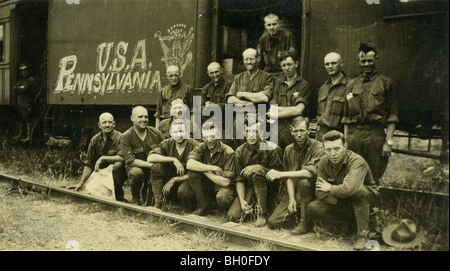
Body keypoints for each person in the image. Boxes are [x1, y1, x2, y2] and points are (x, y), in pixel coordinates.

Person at [309, 130, 380, 250]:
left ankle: (363, 234)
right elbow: (320, 192)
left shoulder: (357, 161)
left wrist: (330, 188)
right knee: (313, 207)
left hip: (366, 202)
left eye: (337, 148)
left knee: (360, 192)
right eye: (328, 150)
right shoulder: (323, 162)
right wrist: (340, 200)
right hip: (343, 202)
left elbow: (349, 190)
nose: (333, 154)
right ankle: (349, 226)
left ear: (345, 146)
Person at [342, 43, 399, 185]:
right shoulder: (351, 84)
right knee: (351, 175)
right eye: (363, 61)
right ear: (358, 61)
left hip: (375, 135)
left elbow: (392, 117)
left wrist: (388, 142)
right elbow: (346, 117)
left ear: (376, 59)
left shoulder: (386, 83)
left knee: (373, 177)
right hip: (354, 136)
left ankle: (369, 207)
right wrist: (345, 141)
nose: (366, 64)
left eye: (370, 61)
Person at [266, 116, 323, 234]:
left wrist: (280, 174)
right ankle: (298, 213)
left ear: (308, 130)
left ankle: (305, 223)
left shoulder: (318, 147)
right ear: (291, 131)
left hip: (313, 191)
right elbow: (289, 178)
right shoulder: (289, 150)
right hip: (296, 192)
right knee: (273, 222)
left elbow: (308, 173)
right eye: (296, 131)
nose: (299, 134)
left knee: (304, 182)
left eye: (302, 130)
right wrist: (291, 198)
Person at [226, 122, 283, 227]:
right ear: (244, 133)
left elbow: (279, 176)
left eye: (255, 131)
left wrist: (258, 168)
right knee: (233, 216)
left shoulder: (272, 148)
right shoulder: (239, 152)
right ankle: (252, 207)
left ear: (261, 132)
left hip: (270, 188)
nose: (251, 135)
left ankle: (262, 214)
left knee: (256, 171)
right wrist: (242, 200)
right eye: (248, 131)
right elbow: (239, 180)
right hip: (250, 188)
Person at [68, 113, 127, 202]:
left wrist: (103, 158)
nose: (107, 125)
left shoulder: (121, 138)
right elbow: (89, 163)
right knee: (94, 193)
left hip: (117, 172)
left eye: (110, 122)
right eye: (104, 122)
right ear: (99, 125)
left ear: (114, 124)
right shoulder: (94, 140)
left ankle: (118, 195)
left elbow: (122, 157)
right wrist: (81, 183)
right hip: (101, 173)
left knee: (118, 165)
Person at [185, 122, 236, 216]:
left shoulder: (228, 152)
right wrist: (212, 168)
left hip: (224, 186)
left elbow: (226, 182)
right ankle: (203, 206)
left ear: (219, 135)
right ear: (202, 137)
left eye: (212, 136)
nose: (209, 140)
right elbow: (189, 164)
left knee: (223, 197)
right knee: (191, 174)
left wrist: (203, 170)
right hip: (209, 182)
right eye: (206, 137)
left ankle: (222, 209)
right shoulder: (201, 146)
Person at [226, 48, 274, 148]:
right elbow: (230, 99)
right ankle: (241, 154)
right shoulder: (238, 78)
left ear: (257, 59)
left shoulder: (266, 77)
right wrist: (249, 103)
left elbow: (264, 98)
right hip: (242, 114)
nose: (248, 62)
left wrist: (242, 94)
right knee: (237, 124)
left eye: (251, 59)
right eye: (246, 59)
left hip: (260, 114)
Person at [147, 121, 199, 209]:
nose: (178, 135)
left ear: (187, 132)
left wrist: (174, 179)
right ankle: (158, 202)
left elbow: (198, 171)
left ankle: (186, 206)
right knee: (156, 166)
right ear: (171, 133)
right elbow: (150, 158)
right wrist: (173, 159)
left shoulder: (194, 146)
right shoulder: (167, 144)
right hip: (168, 178)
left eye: (181, 131)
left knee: (184, 192)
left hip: (187, 179)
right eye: (175, 132)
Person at [121, 106, 165, 205]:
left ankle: (155, 198)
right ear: (132, 118)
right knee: (137, 173)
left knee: (150, 202)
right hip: (136, 168)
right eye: (140, 117)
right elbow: (131, 161)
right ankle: (135, 197)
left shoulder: (156, 133)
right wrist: (151, 165)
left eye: (146, 117)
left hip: (154, 171)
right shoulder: (126, 136)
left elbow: (166, 150)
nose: (144, 120)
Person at [268, 50, 310, 150]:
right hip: (277, 128)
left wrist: (276, 114)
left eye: (289, 64)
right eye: (284, 65)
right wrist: (292, 109)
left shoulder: (303, 84)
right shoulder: (278, 83)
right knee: (276, 156)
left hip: (294, 129)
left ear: (296, 64)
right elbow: (273, 107)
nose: (287, 68)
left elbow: (299, 110)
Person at [316, 52, 348, 141]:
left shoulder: (349, 86)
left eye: (333, 63)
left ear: (341, 63)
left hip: (338, 135)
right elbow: (319, 115)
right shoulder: (323, 88)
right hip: (321, 135)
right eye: (327, 64)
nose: (330, 66)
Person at [201, 62, 233, 147]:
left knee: (223, 144)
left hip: (225, 122)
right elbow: (201, 109)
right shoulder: (206, 88)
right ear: (208, 74)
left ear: (221, 71)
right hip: (209, 121)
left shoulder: (229, 85)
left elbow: (228, 106)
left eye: (216, 72)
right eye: (212, 73)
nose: (214, 75)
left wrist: (211, 105)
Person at [13, 64, 38, 142]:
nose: (23, 73)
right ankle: (20, 134)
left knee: (28, 118)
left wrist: (20, 88)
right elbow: (14, 88)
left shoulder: (31, 79)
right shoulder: (21, 81)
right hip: (20, 101)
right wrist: (21, 88)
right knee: (20, 118)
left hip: (27, 101)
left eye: (25, 71)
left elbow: (27, 89)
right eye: (22, 72)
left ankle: (29, 136)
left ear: (27, 71)